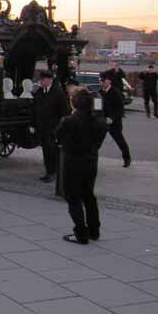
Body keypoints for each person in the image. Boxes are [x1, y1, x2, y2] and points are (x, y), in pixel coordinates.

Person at [55, 88, 108, 244]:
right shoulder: (98, 121)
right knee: (89, 196)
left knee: (73, 198)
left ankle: (81, 233)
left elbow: (58, 136)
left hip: (73, 162)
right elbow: (101, 133)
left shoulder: (69, 121)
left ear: (74, 103)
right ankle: (94, 230)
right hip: (91, 161)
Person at [32, 69, 69, 182]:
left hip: (53, 129)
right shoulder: (39, 92)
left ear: (50, 80)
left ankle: (52, 173)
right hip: (41, 128)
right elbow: (34, 109)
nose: (41, 81)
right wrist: (33, 125)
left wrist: (57, 128)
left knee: (51, 152)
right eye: (41, 79)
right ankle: (49, 172)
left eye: (43, 79)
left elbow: (64, 112)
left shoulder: (58, 93)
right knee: (46, 152)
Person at [100, 71, 132, 167]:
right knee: (97, 140)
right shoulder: (100, 92)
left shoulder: (115, 92)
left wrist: (112, 118)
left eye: (103, 81)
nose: (101, 83)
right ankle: (92, 158)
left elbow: (120, 109)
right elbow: (98, 107)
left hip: (114, 122)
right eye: (100, 81)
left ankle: (127, 159)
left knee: (120, 140)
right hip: (103, 121)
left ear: (108, 81)